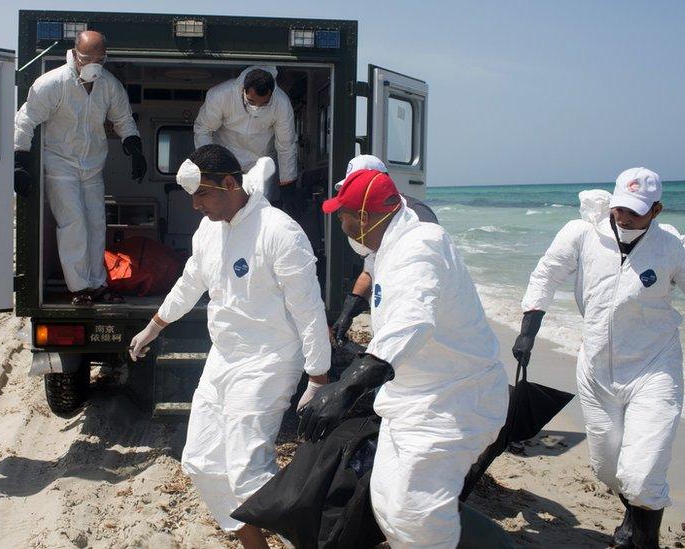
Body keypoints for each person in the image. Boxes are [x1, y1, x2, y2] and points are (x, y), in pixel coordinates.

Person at [515, 167, 685, 549]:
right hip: (596, 370)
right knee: (607, 468)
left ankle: (644, 539)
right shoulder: (582, 234)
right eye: (620, 208)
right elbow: (546, 274)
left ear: (656, 210)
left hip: (654, 368)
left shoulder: (672, 247)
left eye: (636, 211)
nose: (624, 217)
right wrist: (528, 325)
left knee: (641, 475)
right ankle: (633, 511)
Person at [128, 144, 330, 549]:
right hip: (223, 359)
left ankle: (309, 541)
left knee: (247, 470)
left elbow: (310, 311)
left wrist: (318, 377)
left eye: (202, 195)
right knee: (200, 464)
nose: (196, 206)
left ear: (230, 183)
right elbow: (190, 283)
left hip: (269, 360)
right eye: (192, 198)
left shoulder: (279, 232)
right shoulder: (209, 231)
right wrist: (154, 325)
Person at [299, 169, 509, 548]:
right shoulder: (390, 245)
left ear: (363, 218)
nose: (340, 222)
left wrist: (345, 388)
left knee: (416, 513)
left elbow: (412, 324)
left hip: (453, 401)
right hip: (411, 398)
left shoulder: (420, 246)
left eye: (342, 214)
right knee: (388, 503)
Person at [13, 30, 147, 304]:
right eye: (87, 58)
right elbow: (25, 120)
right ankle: (79, 288)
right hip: (60, 164)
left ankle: (98, 283)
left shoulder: (109, 85)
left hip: (92, 166)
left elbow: (123, 118)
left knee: (97, 222)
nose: (93, 65)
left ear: (105, 58)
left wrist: (134, 147)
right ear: (74, 54)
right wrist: (19, 161)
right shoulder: (52, 84)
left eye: (99, 59)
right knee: (73, 222)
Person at [328, 155, 440, 348]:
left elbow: (420, 297)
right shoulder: (375, 221)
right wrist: (348, 311)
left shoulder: (418, 220)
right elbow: (369, 269)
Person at [193, 66, 301, 216]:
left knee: (259, 214)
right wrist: (210, 170)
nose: (256, 107)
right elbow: (203, 130)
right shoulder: (220, 95)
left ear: (271, 94)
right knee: (222, 212)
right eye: (251, 101)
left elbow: (286, 145)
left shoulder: (281, 103)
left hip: (259, 164)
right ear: (243, 89)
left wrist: (288, 185)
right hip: (225, 164)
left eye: (263, 104)